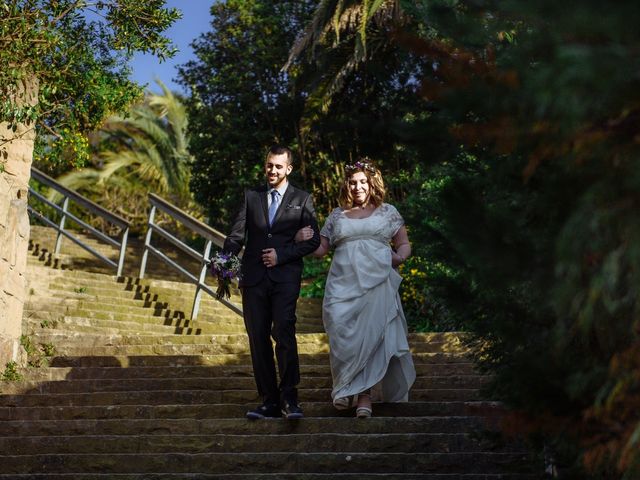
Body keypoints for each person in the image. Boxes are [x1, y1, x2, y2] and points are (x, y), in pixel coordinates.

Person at [295, 159, 416, 417]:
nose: (357, 186)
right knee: (342, 335)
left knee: (371, 337)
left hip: (377, 283)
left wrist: (398, 258)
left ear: (372, 183)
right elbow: (320, 250)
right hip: (342, 285)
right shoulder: (337, 216)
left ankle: (364, 396)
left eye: (362, 181)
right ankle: (345, 387)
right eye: (352, 182)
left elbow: (404, 244)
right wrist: (302, 237)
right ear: (346, 186)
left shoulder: (388, 212)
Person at [223, 145, 320, 420]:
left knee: (284, 332)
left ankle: (290, 397)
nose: (272, 171)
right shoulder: (250, 197)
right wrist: (224, 261)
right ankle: (268, 401)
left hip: (285, 278)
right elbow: (236, 235)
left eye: (278, 166)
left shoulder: (303, 199)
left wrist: (282, 253)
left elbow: (313, 240)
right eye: (269, 165)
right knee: (258, 338)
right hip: (253, 279)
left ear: (288, 168)